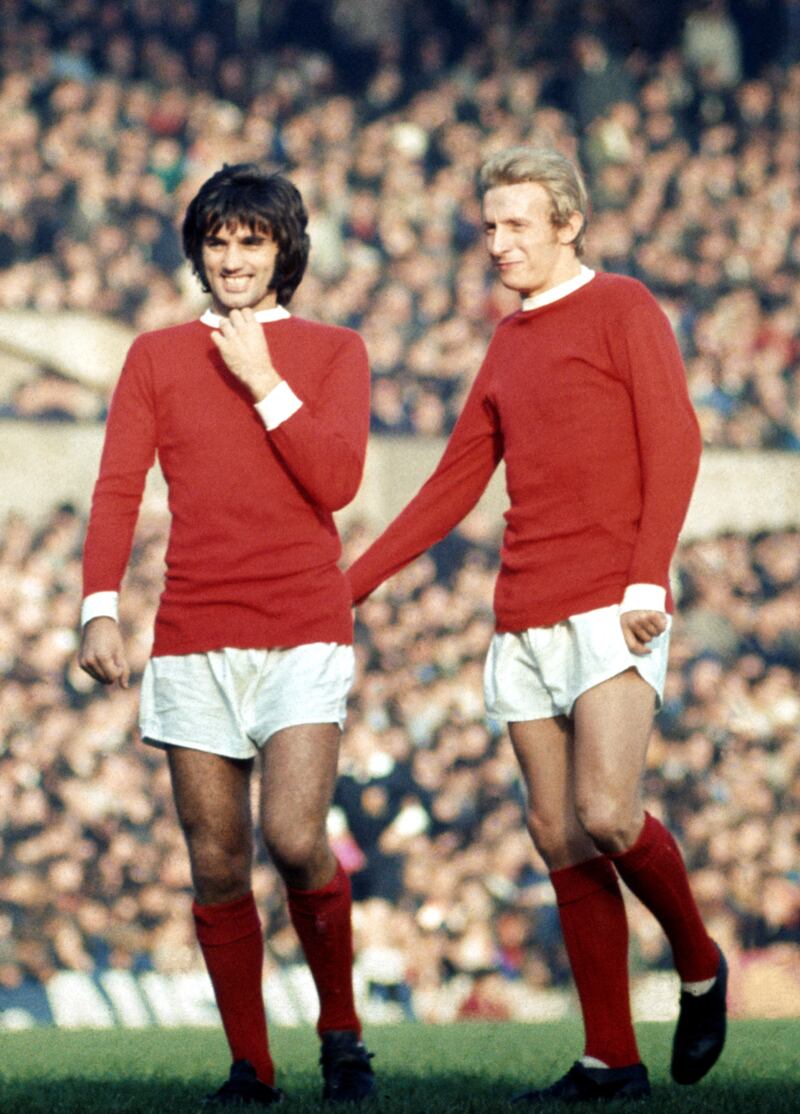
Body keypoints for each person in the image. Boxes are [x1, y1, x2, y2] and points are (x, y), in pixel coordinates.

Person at [346, 146, 726, 1104]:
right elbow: (454, 481)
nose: (499, 242)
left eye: (517, 223)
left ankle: (700, 961)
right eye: (488, 226)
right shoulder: (508, 341)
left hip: (614, 601)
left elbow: (675, 438)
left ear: (568, 222)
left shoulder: (626, 306)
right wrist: (348, 584)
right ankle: (611, 1060)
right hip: (522, 609)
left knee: (607, 812)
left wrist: (650, 578)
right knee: (557, 834)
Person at [79, 163, 376, 1107]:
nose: (234, 256)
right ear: (198, 251)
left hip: (300, 625)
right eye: (219, 240)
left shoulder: (334, 350)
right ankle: (252, 1066)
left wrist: (262, 382)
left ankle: (343, 1036)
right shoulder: (157, 356)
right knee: (215, 861)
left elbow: (336, 482)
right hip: (194, 629)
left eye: (252, 239)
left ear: (286, 248)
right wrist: (97, 605)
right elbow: (119, 486)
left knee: (294, 837)